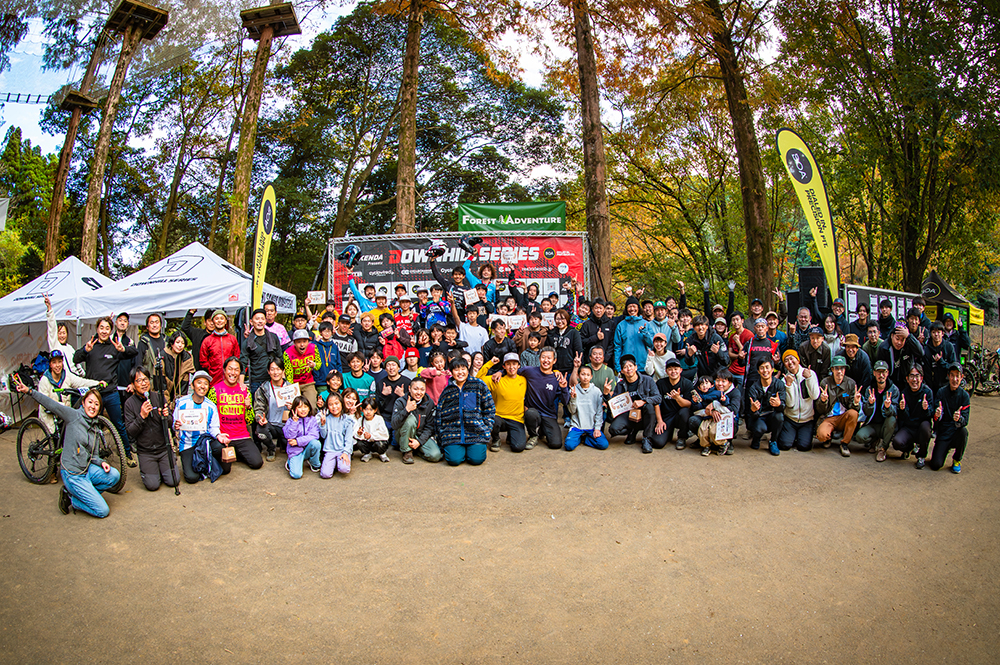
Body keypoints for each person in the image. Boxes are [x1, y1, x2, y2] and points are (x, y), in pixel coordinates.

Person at [13, 378, 120, 517]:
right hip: (73, 474)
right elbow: (51, 404)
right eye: (90, 402)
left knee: (114, 475)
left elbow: (94, 456)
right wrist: (29, 391)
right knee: (102, 511)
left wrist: (101, 462)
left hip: (87, 470)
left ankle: (83, 494)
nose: (93, 406)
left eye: (96, 404)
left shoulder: (95, 427)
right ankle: (72, 499)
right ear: (83, 403)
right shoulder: (73, 416)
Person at [73, 315, 138, 465]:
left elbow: (134, 352)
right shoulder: (91, 345)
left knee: (119, 424)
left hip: (111, 393)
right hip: (94, 394)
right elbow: (75, 358)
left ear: (111, 330)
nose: (104, 331)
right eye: (101, 327)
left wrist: (123, 349)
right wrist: (85, 350)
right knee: (91, 425)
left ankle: (127, 455)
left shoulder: (114, 346)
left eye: (107, 328)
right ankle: (91, 456)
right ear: (97, 329)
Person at [123, 367, 179, 491]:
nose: (143, 383)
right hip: (146, 452)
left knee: (173, 481)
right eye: (139, 381)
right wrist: (141, 416)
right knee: (152, 485)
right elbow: (130, 432)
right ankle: (151, 470)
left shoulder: (159, 397)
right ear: (133, 385)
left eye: (146, 379)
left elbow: (170, 423)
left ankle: (164, 467)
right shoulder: (129, 404)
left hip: (163, 449)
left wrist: (165, 417)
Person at [435, 357, 495, 466]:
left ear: (468, 369)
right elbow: (440, 413)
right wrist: (442, 433)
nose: (460, 372)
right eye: (456, 369)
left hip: (476, 432)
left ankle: (471, 450)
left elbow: (489, 408)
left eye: (463, 369)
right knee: (454, 460)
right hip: (452, 434)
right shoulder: (447, 390)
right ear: (451, 372)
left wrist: (487, 428)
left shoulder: (478, 385)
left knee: (476, 460)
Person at [207, 357, 264, 471]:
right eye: (230, 369)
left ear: (240, 373)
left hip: (241, 435)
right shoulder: (214, 390)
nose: (233, 373)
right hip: (224, 437)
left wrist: (248, 407)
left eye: (236, 370)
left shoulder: (244, 391)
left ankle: (237, 453)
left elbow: (249, 420)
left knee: (257, 463)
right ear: (224, 370)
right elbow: (209, 418)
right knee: (225, 470)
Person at [172, 371, 226, 483]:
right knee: (192, 478)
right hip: (187, 444)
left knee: (221, 450)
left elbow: (213, 427)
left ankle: (209, 461)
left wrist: (218, 435)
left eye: (206, 384)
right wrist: (176, 425)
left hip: (204, 443)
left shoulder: (211, 406)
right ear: (192, 386)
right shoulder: (182, 403)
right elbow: (174, 423)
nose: (202, 386)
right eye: (199, 382)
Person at [37, 350, 102, 435]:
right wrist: (61, 406)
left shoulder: (66, 375)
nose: (57, 365)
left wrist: (97, 383)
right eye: (54, 362)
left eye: (59, 362)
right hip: (50, 417)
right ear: (50, 365)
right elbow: (44, 402)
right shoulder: (44, 380)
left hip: (64, 416)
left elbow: (81, 382)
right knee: (55, 439)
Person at [608, 354, 661, 453]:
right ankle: (632, 430)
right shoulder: (620, 385)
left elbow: (658, 398)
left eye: (630, 366)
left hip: (645, 413)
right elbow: (613, 404)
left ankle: (646, 438)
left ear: (636, 367)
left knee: (649, 407)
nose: (628, 369)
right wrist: (606, 394)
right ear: (622, 371)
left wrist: (644, 401)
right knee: (613, 429)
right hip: (629, 414)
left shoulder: (648, 380)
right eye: (625, 367)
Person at [519, 347, 570, 450]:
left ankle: (543, 430)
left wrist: (564, 388)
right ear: (539, 358)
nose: (546, 360)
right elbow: (512, 371)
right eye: (543, 357)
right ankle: (533, 435)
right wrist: (500, 372)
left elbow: (565, 402)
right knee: (530, 414)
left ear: (554, 360)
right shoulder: (529, 371)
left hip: (548, 414)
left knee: (555, 444)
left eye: (549, 358)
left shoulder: (557, 378)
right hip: (533, 412)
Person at [479, 353, 528, 453]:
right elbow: (478, 380)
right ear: (504, 366)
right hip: (499, 417)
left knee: (518, 447)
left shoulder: (523, 380)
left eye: (514, 364)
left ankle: (511, 435)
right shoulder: (497, 379)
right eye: (508, 364)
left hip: (516, 419)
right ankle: (496, 438)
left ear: (519, 366)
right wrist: (489, 363)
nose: (511, 367)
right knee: (492, 419)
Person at [815, 355, 862, 457]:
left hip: (843, 417)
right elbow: (820, 410)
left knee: (854, 414)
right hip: (829, 417)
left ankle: (844, 444)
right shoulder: (825, 382)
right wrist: (823, 401)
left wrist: (856, 402)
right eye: (836, 368)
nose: (839, 371)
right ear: (832, 369)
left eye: (842, 368)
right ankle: (828, 438)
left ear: (845, 370)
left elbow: (854, 409)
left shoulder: (850, 383)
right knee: (821, 435)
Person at [927, 363, 970, 472]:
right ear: (948, 376)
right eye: (952, 375)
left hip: (956, 432)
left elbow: (965, 420)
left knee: (964, 432)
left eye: (957, 376)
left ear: (961, 377)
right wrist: (937, 415)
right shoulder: (941, 392)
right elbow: (935, 416)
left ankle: (957, 459)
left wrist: (959, 419)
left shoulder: (964, 396)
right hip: (943, 433)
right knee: (935, 465)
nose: (954, 379)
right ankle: (943, 450)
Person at [855, 360, 900, 460]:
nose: (881, 375)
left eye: (883, 372)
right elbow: (866, 412)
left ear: (887, 373)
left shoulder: (894, 390)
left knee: (892, 419)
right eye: (878, 372)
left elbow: (895, 411)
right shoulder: (870, 389)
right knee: (859, 437)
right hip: (872, 424)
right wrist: (870, 404)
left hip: (885, 425)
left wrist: (888, 407)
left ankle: (883, 448)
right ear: (874, 373)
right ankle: (874, 440)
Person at [391, 378, 441, 464]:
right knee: (410, 419)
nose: (419, 392)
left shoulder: (429, 403)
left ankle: (415, 450)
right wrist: (406, 410)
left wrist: (419, 442)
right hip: (403, 435)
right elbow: (394, 425)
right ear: (409, 389)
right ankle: (406, 451)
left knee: (435, 456)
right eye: (415, 389)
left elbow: (430, 427)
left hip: (420, 435)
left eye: (422, 389)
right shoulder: (401, 401)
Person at [777, 350, 820, 452]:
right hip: (791, 419)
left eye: (792, 359)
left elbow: (815, 396)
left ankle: (799, 436)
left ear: (798, 360)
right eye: (786, 360)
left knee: (804, 446)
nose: (790, 362)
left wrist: (809, 378)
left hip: (807, 419)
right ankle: (791, 435)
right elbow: (790, 404)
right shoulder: (784, 380)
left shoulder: (810, 373)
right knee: (784, 445)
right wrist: (788, 385)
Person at [892, 364, 934, 465]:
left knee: (925, 427)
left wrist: (926, 409)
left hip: (921, 427)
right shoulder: (904, 393)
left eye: (917, 376)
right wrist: (902, 410)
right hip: (909, 427)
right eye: (912, 376)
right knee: (896, 442)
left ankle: (921, 456)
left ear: (921, 378)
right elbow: (904, 418)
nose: (914, 379)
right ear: (907, 379)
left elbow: (931, 415)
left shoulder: (927, 392)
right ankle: (908, 448)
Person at [745, 358, 786, 455]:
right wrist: (753, 410)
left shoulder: (779, 384)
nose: (765, 371)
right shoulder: (753, 388)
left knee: (779, 416)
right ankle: (756, 438)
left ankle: (773, 441)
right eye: (762, 368)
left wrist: (779, 404)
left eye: (767, 367)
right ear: (758, 371)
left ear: (772, 369)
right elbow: (751, 414)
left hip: (773, 415)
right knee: (760, 428)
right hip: (760, 417)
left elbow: (783, 406)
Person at [252, 359, 291, 462]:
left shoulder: (291, 388)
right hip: (270, 424)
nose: (275, 372)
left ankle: (283, 444)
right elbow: (258, 408)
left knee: (290, 444)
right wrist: (260, 418)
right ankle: (271, 448)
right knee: (260, 431)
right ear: (268, 372)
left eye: (278, 369)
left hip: (286, 426)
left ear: (283, 371)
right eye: (272, 369)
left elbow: (301, 410)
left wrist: (293, 409)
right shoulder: (263, 389)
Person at [650, 358, 693, 450]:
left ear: (681, 370)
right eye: (670, 369)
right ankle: (668, 434)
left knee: (685, 412)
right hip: (666, 416)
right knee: (658, 443)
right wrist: (659, 421)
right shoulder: (661, 383)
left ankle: (682, 437)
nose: (673, 372)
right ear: (666, 371)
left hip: (680, 415)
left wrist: (678, 398)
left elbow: (689, 404)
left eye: (676, 369)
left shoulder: (687, 383)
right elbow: (656, 403)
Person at [564, 365, 609, 451]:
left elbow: (599, 412)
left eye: (588, 375)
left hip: (591, 426)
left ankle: (584, 439)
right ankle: (579, 437)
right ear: (578, 376)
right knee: (569, 446)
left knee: (603, 444)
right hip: (577, 426)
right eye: (583, 374)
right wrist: (573, 399)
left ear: (591, 377)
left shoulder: (596, 391)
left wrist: (597, 428)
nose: (585, 377)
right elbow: (572, 411)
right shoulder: (573, 390)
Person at [240, 308, 282, 396]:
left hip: (273, 378)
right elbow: (243, 363)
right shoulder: (248, 342)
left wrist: (283, 379)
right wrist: (241, 383)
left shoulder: (273, 338)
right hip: (256, 381)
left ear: (265, 321)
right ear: (251, 322)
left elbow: (280, 358)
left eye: (262, 319)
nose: (260, 321)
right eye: (257, 319)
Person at [44, 294, 85, 376]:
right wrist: (49, 309)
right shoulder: (55, 346)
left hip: (75, 378)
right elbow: (52, 328)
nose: (62, 336)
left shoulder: (70, 348)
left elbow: (77, 365)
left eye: (64, 333)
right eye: (60, 333)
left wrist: (83, 375)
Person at [282, 396, 322, 478]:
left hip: (307, 448)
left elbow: (314, 435)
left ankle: (314, 463)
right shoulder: (290, 421)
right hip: (295, 450)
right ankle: (290, 461)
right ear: (294, 409)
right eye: (299, 407)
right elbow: (289, 436)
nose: (303, 410)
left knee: (316, 443)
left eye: (305, 407)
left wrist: (298, 441)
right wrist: (294, 423)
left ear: (309, 408)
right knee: (296, 475)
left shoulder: (312, 419)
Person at [876, 321, 924, 387]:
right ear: (892, 336)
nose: (899, 343)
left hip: (907, 383)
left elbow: (921, 353)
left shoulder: (909, 343)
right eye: (897, 339)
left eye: (902, 340)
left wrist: (909, 336)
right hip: (890, 383)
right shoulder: (884, 348)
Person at [200, 310, 240, 385]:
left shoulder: (232, 339)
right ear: (213, 321)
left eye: (221, 318)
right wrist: (211, 370)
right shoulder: (207, 340)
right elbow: (203, 360)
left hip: (231, 378)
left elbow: (237, 356)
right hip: (214, 379)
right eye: (216, 318)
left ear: (225, 321)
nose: (219, 321)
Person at [319, 392, 353, 477]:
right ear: (327, 407)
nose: (334, 407)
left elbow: (349, 439)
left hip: (342, 450)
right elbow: (323, 436)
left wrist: (346, 452)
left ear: (342, 404)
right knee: (325, 474)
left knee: (344, 469)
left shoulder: (347, 420)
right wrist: (323, 425)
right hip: (330, 450)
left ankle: (338, 463)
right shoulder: (327, 419)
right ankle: (333, 464)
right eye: (330, 404)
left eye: (336, 403)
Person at [613, 296, 647, 371]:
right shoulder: (621, 325)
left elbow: (651, 344)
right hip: (627, 367)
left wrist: (645, 333)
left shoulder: (645, 324)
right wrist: (618, 366)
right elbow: (617, 347)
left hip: (644, 366)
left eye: (634, 306)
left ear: (638, 308)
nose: (632, 309)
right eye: (629, 307)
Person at [134, 313, 168, 387]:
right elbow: (138, 365)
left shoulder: (167, 341)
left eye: (157, 322)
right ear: (147, 326)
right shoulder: (143, 342)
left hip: (166, 382)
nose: (154, 325)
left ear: (161, 325)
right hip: (150, 382)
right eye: (152, 322)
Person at [923, 321, 957, 392]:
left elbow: (953, 367)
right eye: (933, 332)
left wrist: (941, 362)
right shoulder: (927, 349)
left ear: (942, 333)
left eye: (938, 332)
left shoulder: (949, 347)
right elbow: (927, 372)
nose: (936, 334)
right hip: (932, 386)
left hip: (947, 385)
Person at [355, 397, 391, 462]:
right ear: (362, 409)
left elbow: (385, 435)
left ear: (375, 410)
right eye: (366, 409)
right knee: (359, 443)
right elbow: (356, 434)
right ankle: (367, 453)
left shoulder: (379, 419)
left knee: (379, 444)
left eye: (371, 409)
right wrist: (359, 434)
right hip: (367, 443)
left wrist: (371, 436)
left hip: (377, 441)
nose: (368, 412)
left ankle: (382, 453)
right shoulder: (360, 420)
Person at [547, 309, 583, 374]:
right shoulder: (553, 332)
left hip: (569, 370)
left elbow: (578, 350)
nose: (560, 321)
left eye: (562, 319)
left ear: (567, 319)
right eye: (557, 319)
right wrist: (550, 332)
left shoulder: (574, 332)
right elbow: (548, 348)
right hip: (554, 369)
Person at [163, 332, 194, 405]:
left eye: (182, 343)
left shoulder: (186, 357)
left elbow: (184, 383)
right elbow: (161, 381)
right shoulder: (163, 355)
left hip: (179, 394)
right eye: (177, 342)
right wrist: (167, 402)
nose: (180, 345)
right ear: (172, 343)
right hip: (165, 392)